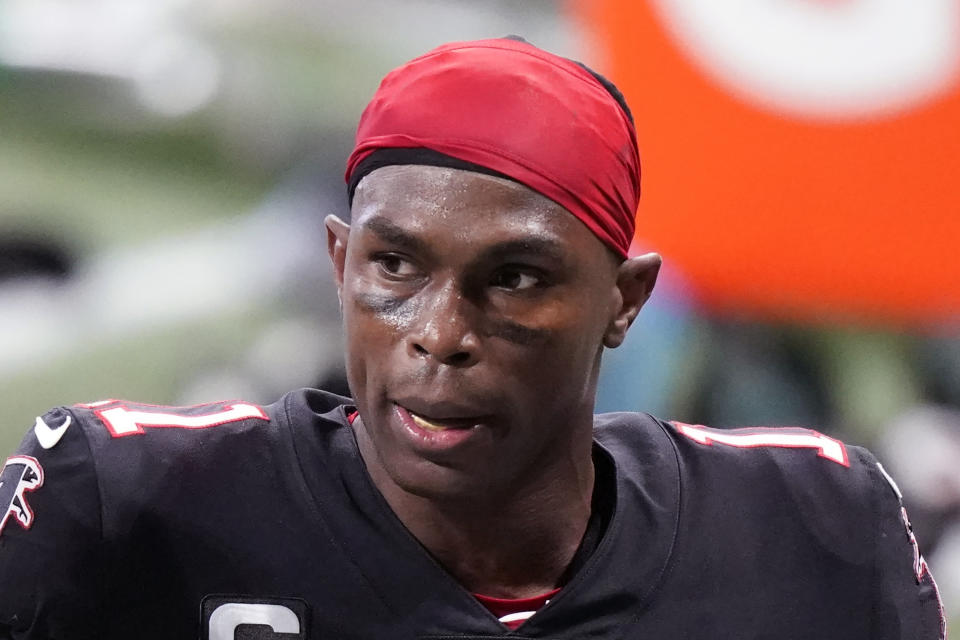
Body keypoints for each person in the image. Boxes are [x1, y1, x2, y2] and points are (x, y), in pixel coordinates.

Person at [0, 37, 945, 639]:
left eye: (516, 279)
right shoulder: (121, 503)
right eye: (396, 269)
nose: (440, 336)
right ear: (339, 265)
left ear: (624, 301)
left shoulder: (813, 528)